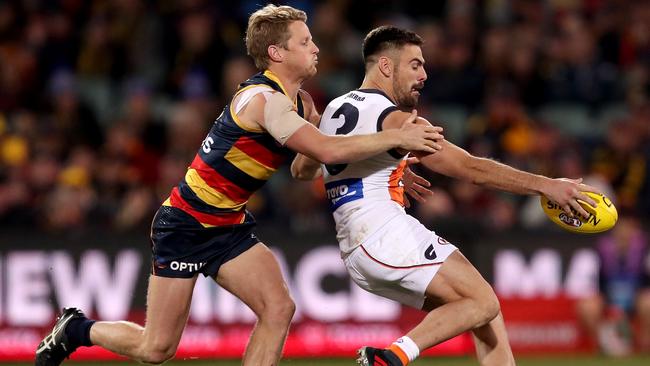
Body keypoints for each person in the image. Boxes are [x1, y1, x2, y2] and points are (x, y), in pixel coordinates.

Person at [34, 7, 444, 366]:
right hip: (185, 224)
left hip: (228, 225)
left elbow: (307, 167)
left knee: (278, 308)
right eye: (305, 40)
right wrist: (395, 139)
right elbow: (325, 149)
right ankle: (76, 329)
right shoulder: (262, 101)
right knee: (156, 348)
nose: (316, 47)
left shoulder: (303, 105)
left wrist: (378, 165)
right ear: (277, 53)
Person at [292, 25, 601, 366]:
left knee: (482, 314)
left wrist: (382, 165)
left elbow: (302, 171)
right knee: (484, 303)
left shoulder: (335, 109)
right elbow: (470, 169)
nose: (424, 74)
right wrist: (547, 185)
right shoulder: (396, 120)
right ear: (385, 66)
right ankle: (391, 357)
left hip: (357, 250)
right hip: (385, 236)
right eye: (415, 65)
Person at [576, 211, 650, 356]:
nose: (624, 232)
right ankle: (603, 345)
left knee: (648, 302)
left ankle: (644, 344)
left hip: (636, 297)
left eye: (628, 228)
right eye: (621, 228)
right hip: (608, 297)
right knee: (587, 306)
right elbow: (594, 279)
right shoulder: (602, 248)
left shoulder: (644, 248)